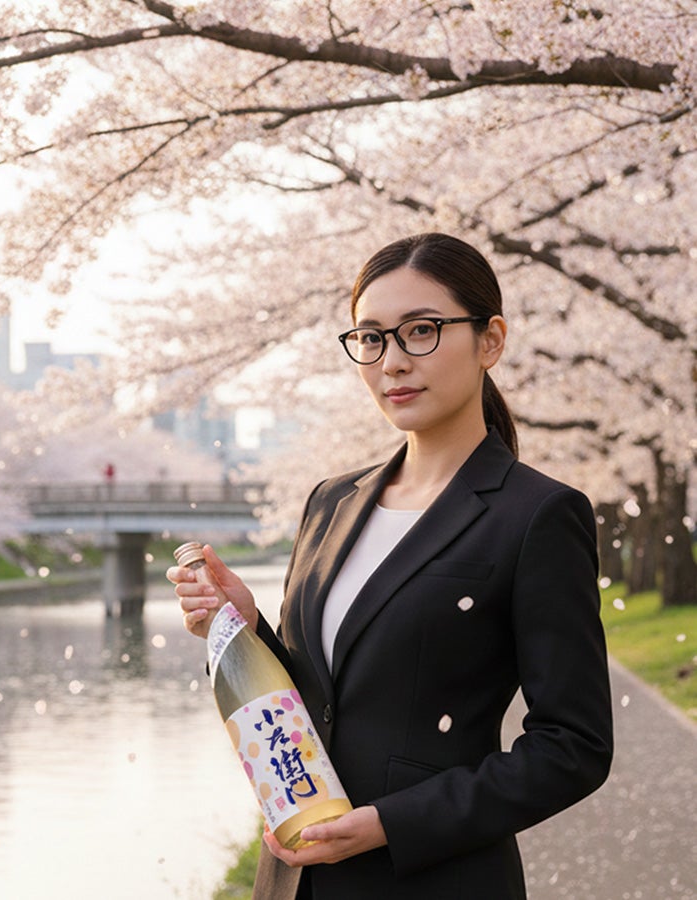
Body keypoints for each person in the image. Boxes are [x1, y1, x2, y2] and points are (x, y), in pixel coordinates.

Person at [168, 232, 613, 899]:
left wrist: (391, 824)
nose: (393, 362)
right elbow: (322, 699)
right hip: (295, 876)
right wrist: (247, 628)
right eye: (371, 338)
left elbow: (573, 747)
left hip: (434, 877)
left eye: (422, 331)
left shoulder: (536, 515)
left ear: (490, 340)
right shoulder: (331, 501)